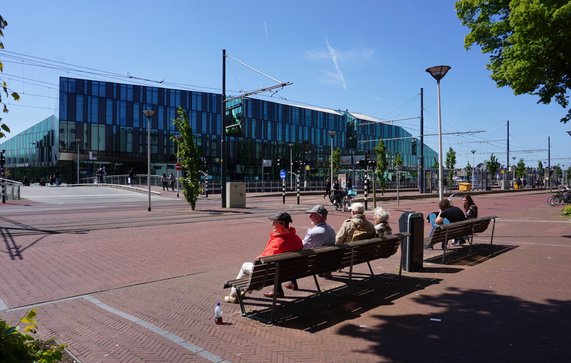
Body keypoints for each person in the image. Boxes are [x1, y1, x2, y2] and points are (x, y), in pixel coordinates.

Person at [224, 212, 302, 303]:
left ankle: (233, 294)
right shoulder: (297, 239)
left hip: (270, 274)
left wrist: (257, 259)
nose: (272, 224)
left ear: (282, 224)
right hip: (290, 272)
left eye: (274, 222)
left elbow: (262, 259)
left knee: (245, 266)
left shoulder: (278, 242)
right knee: (252, 270)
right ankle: (242, 291)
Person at [284, 205, 336, 290]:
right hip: (328, 262)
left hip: (313, 264)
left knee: (289, 256)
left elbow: (302, 248)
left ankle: (291, 282)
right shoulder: (331, 229)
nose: (310, 216)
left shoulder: (314, 232)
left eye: (312, 214)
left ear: (319, 217)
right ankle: (292, 282)